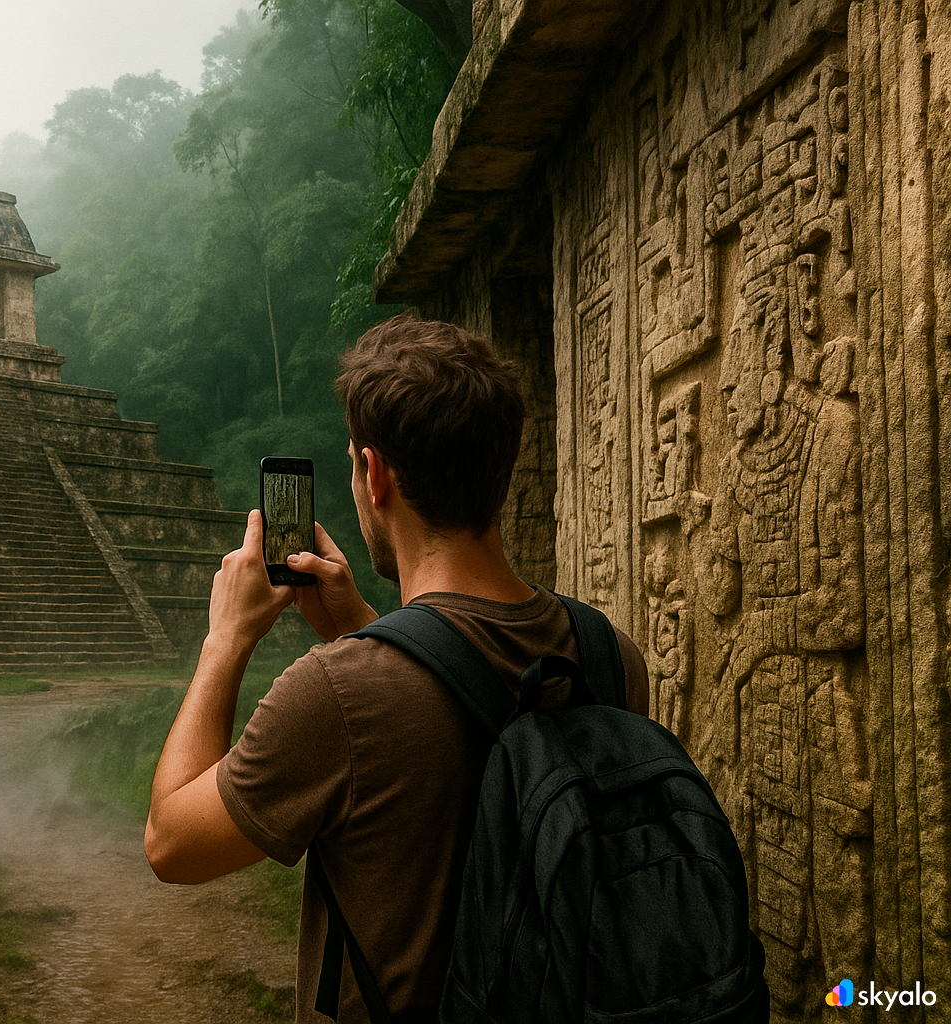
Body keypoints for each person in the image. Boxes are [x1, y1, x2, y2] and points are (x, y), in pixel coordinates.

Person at [144, 314, 650, 1023]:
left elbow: (172, 844)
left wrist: (224, 640)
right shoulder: (609, 654)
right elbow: (468, 753)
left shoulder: (336, 696)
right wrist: (367, 629)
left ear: (374, 474)